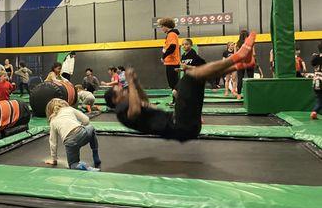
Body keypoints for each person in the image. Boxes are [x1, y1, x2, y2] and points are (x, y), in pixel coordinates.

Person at [104, 32, 257, 142]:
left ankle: (242, 63)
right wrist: (130, 83)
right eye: (120, 91)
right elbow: (136, 110)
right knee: (191, 75)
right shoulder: (120, 110)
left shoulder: (128, 105)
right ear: (115, 99)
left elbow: (144, 101)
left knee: (196, 74)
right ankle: (239, 56)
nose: (124, 91)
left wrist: (136, 84)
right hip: (181, 126)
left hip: (185, 123)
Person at [44, 98, 101, 171]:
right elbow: (86, 120)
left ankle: (85, 167)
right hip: (82, 133)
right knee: (91, 129)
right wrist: (80, 126)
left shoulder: (53, 121)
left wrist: (54, 159)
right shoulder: (68, 109)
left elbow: (53, 142)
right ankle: (95, 155)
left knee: (73, 164)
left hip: (70, 142)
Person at [158, 18, 180, 105]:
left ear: (166, 26)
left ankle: (179, 101)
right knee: (173, 84)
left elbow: (172, 47)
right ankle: (176, 101)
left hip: (172, 63)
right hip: (171, 62)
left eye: (162, 26)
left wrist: (164, 56)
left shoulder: (171, 34)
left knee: (174, 84)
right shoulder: (171, 34)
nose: (161, 28)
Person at [235, 30, 255, 99]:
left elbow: (235, 55)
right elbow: (254, 54)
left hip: (240, 63)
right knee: (250, 78)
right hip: (249, 62)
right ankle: (251, 94)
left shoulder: (237, 44)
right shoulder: (250, 43)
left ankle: (239, 95)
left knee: (240, 78)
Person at [310, 42, 322, 120]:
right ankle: (314, 111)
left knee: (319, 98)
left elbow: (313, 62)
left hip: (316, 81)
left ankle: (314, 111)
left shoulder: (315, 58)